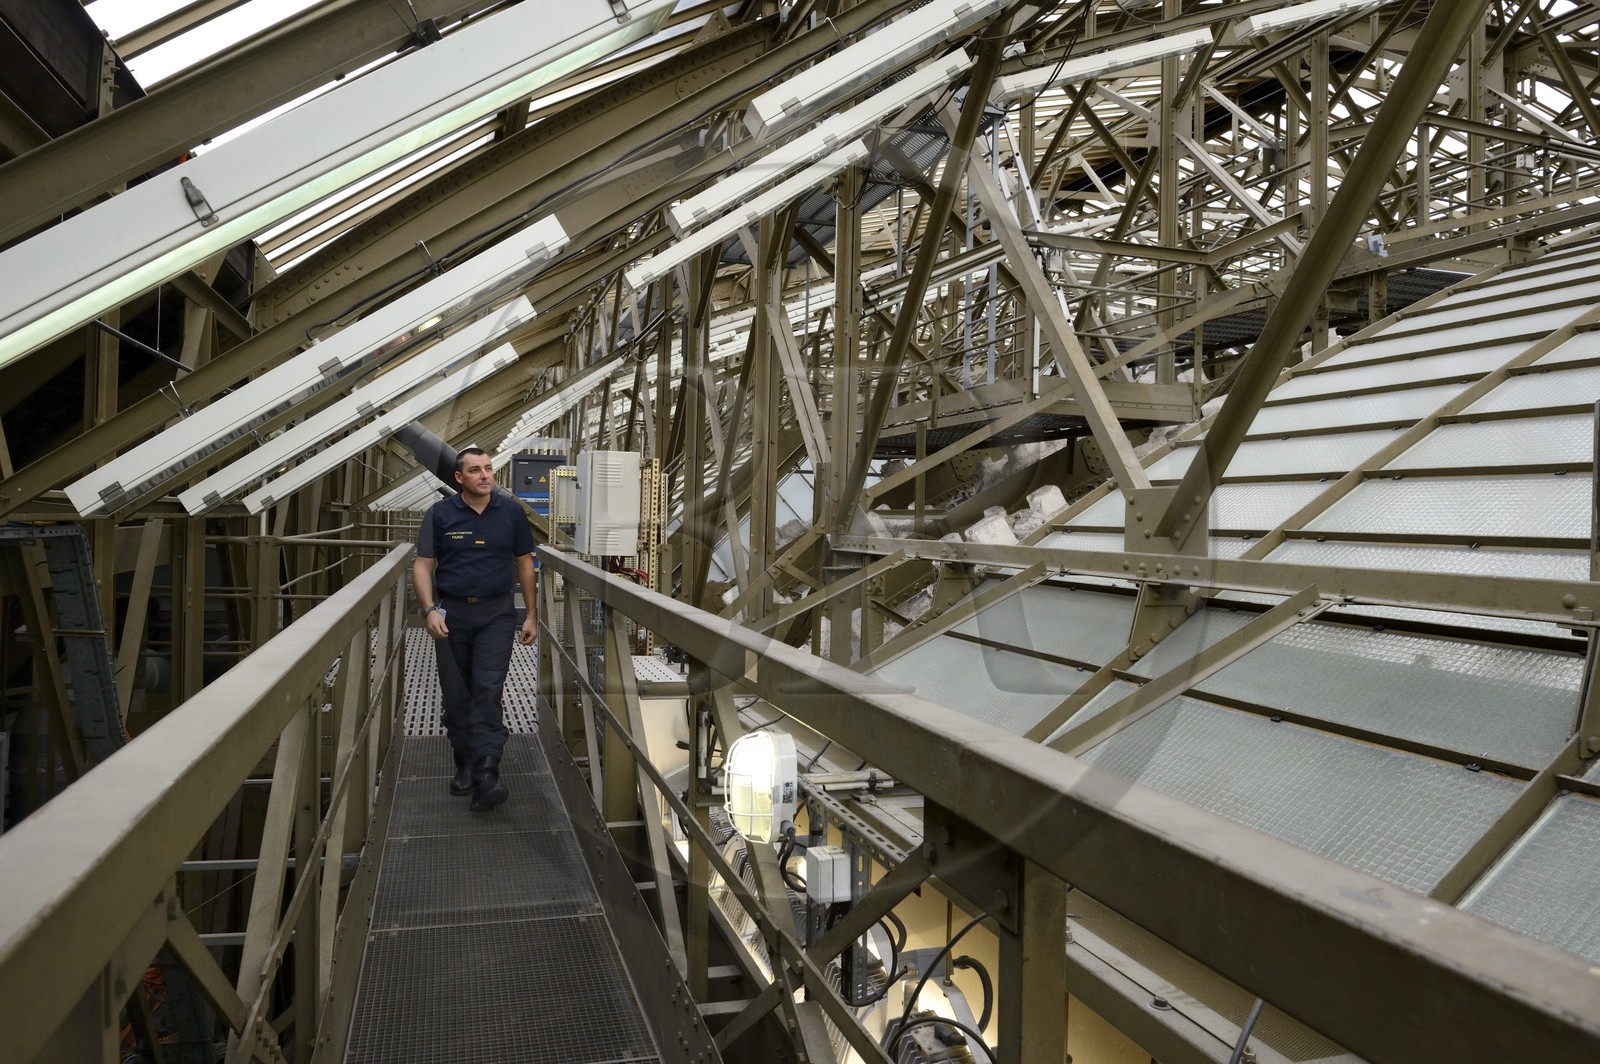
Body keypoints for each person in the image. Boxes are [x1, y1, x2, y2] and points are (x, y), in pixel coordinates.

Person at [411, 447, 537, 811]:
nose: (485, 475)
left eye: (489, 469)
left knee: (487, 689)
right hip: (452, 616)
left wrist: (530, 614)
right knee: (457, 696)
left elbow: (525, 565)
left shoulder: (510, 512)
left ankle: (487, 772)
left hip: (497, 615)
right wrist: (429, 609)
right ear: (459, 478)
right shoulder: (440, 514)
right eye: (476, 470)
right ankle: (464, 762)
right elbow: (422, 566)